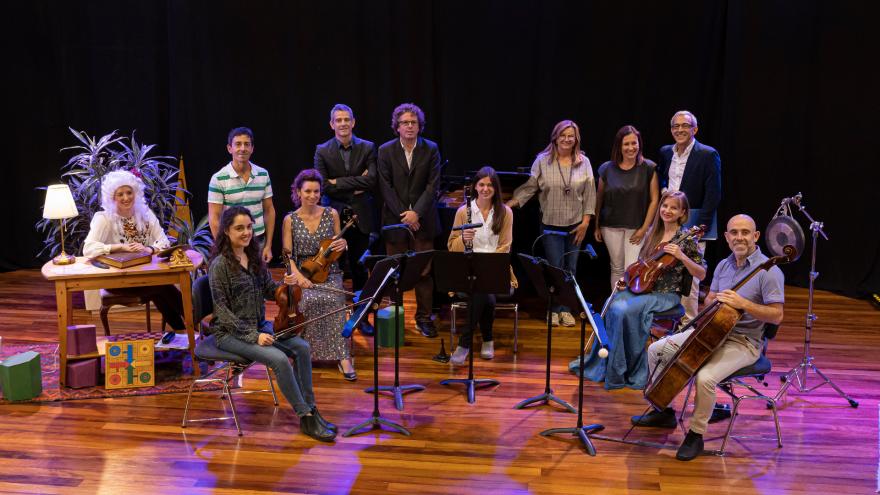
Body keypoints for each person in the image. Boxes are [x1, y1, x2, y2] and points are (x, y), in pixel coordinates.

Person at [631, 214, 784, 461]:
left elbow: (777, 315)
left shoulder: (769, 271)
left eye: (745, 232)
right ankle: (664, 411)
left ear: (755, 236)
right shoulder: (724, 265)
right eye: (734, 232)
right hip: (711, 332)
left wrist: (743, 303)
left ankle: (695, 436)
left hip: (743, 342)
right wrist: (712, 300)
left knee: (705, 378)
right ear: (726, 237)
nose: (739, 237)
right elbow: (709, 299)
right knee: (656, 350)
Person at [209, 206, 336, 442]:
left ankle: (312, 408)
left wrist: (283, 284)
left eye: (249, 227)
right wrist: (253, 336)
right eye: (239, 228)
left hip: (258, 326)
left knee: (302, 348)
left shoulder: (253, 256)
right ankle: (305, 416)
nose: (247, 232)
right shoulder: (220, 266)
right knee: (278, 359)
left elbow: (269, 290)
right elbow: (222, 314)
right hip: (229, 333)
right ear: (226, 231)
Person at [573, 191, 705, 390]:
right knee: (613, 305)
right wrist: (628, 280)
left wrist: (681, 256)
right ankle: (606, 364)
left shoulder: (686, 240)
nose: (667, 211)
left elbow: (702, 273)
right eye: (665, 206)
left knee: (622, 310)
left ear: (683, 212)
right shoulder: (655, 232)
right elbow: (645, 264)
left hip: (666, 296)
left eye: (674, 208)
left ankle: (627, 370)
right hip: (644, 289)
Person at [508, 120, 596, 327]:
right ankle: (554, 309)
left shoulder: (584, 162)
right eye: (563, 135)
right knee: (555, 269)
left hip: (576, 224)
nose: (567, 139)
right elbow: (531, 186)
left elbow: (590, 194)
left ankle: (566, 309)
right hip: (550, 225)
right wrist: (512, 203)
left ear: (576, 139)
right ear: (555, 137)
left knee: (570, 270)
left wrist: (586, 222)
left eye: (571, 136)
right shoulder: (542, 161)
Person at [83, 169, 186, 341]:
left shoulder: (145, 213)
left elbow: (164, 241)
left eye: (129, 192)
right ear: (112, 197)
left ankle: (184, 331)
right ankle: (193, 326)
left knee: (160, 288)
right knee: (162, 287)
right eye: (120, 194)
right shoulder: (104, 218)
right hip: (117, 279)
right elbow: (88, 249)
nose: (126, 198)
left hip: (144, 276)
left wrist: (149, 249)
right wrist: (119, 247)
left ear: (135, 192)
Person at [281, 169, 354, 380]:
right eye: (307, 191)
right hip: (302, 272)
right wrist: (299, 277)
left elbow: (335, 251)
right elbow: (287, 256)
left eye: (316, 191)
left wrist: (343, 244)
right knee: (305, 302)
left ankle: (342, 356)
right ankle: (301, 354)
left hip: (329, 272)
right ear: (298, 192)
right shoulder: (290, 220)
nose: (312, 196)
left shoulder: (331, 214)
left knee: (334, 300)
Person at [377, 102, 442, 338]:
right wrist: (406, 215)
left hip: (424, 222)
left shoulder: (431, 149)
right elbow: (385, 187)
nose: (409, 126)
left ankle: (424, 318)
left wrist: (417, 213)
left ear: (420, 126)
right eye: (405, 122)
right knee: (396, 271)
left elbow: (433, 185)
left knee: (424, 272)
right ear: (397, 126)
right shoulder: (385, 150)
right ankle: (397, 317)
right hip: (395, 221)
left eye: (413, 122)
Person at [314, 104, 378, 336]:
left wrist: (336, 183)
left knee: (361, 269)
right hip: (335, 218)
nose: (342, 123)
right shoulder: (322, 150)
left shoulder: (368, 147)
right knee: (336, 270)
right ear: (332, 124)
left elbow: (371, 181)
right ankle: (337, 318)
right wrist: (353, 183)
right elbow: (322, 186)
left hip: (362, 217)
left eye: (346, 119)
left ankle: (361, 317)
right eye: (338, 120)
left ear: (353, 122)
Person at [656, 111, 722, 323]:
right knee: (666, 272)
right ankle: (669, 322)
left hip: (693, 224)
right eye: (676, 126)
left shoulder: (708, 154)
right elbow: (662, 179)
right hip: (668, 221)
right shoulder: (666, 152)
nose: (680, 130)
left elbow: (713, 194)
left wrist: (700, 228)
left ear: (695, 129)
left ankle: (688, 325)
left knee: (690, 278)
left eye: (685, 126)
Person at [447, 167, 515, 364]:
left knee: (483, 289)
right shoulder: (463, 212)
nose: (485, 189)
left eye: (490, 185)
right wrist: (462, 238)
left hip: (496, 269)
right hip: (468, 270)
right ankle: (487, 339)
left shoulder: (505, 212)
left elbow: (506, 246)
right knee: (484, 293)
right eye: (482, 185)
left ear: (496, 188)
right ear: (475, 187)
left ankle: (465, 342)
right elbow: (451, 246)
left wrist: (489, 266)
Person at [594, 125, 660, 291]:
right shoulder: (606, 169)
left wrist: (644, 228)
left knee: (632, 268)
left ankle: (628, 308)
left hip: (637, 228)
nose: (631, 148)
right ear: (619, 146)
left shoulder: (648, 168)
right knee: (616, 267)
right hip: (610, 226)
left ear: (639, 144)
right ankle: (615, 306)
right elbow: (598, 199)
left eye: (634, 143)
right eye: (626, 144)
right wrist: (596, 225)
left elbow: (654, 200)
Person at [208, 127, 276, 263]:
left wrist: (268, 245)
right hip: (232, 242)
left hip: (258, 240)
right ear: (229, 148)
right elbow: (214, 217)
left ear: (252, 148)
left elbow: (269, 210)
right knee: (234, 281)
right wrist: (223, 248)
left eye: (247, 144)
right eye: (238, 144)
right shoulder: (219, 178)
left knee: (257, 281)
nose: (242, 148)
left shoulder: (263, 174)